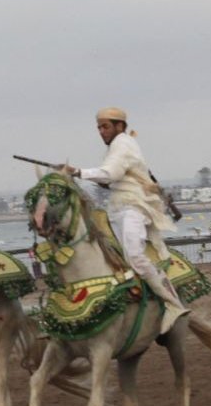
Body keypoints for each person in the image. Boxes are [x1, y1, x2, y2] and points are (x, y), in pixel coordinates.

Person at [64, 107, 189, 335]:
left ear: (120, 126)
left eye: (105, 127)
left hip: (133, 207)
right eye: (99, 128)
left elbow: (110, 173)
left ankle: (173, 304)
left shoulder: (122, 143)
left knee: (134, 256)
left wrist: (78, 172)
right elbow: (113, 178)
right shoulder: (118, 146)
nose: (101, 132)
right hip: (120, 207)